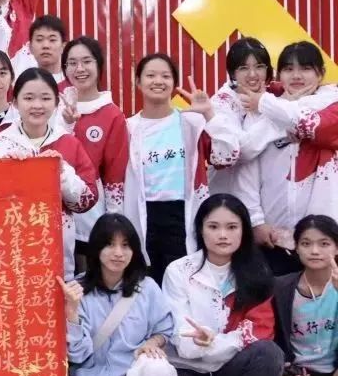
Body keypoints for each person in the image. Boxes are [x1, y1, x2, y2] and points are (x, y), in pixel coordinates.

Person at [165, 194, 283, 376]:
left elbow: (260, 331)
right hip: (185, 369)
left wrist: (214, 342)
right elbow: (183, 340)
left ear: (244, 230)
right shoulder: (178, 271)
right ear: (200, 229)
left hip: (228, 368)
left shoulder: (257, 273)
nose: (222, 235)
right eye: (213, 226)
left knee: (269, 353)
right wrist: (204, 342)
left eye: (232, 227)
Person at [62, 214, 177, 376]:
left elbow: (165, 328)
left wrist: (153, 342)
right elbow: (77, 355)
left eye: (125, 245)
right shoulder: (77, 289)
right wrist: (72, 311)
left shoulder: (147, 287)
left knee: (156, 366)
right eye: (110, 244)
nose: (118, 253)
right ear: (96, 248)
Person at [122, 53, 240, 284]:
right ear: (138, 82)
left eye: (165, 76)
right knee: (147, 284)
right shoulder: (129, 128)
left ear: (174, 83)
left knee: (184, 283)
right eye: (150, 75)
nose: (158, 81)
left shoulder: (192, 122)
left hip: (184, 215)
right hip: (144, 216)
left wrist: (209, 114)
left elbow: (227, 156)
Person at [0, 68, 99, 279]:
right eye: (28, 98)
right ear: (15, 103)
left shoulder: (67, 143)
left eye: (45, 98)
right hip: (8, 256)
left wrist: (62, 173)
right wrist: (4, 174)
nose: (37, 105)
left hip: (57, 254)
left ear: (56, 103)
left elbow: (86, 201)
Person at [235, 41, 338, 276]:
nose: (297, 76)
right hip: (273, 240)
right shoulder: (259, 112)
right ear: (279, 75)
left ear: (321, 73)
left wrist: (269, 104)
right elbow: (246, 169)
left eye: (306, 68)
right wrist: (256, 222)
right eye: (289, 69)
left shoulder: (332, 106)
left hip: (325, 241)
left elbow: (308, 122)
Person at [61, 36, 129, 264]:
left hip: (92, 213)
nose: (79, 69)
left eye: (86, 61)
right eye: (72, 63)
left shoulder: (111, 114)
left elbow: (115, 172)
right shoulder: (54, 107)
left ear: (99, 65)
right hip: (55, 211)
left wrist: (113, 219)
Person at [273, 214, 338, 376]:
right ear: (296, 248)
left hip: (334, 372)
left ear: (336, 248)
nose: (315, 251)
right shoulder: (281, 287)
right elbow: (269, 335)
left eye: (324, 244)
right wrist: (285, 366)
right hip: (300, 374)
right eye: (306, 243)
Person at [209, 37, 275, 197]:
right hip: (227, 195)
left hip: (267, 194)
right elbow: (241, 151)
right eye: (244, 68)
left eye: (259, 66)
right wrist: (275, 121)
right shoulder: (220, 104)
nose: (253, 74)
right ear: (233, 72)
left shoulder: (273, 96)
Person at [20, 15, 70, 88]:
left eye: (52, 40)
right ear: (30, 47)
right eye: (39, 40)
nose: (45, 45)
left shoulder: (73, 81)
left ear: (63, 46)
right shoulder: (23, 83)